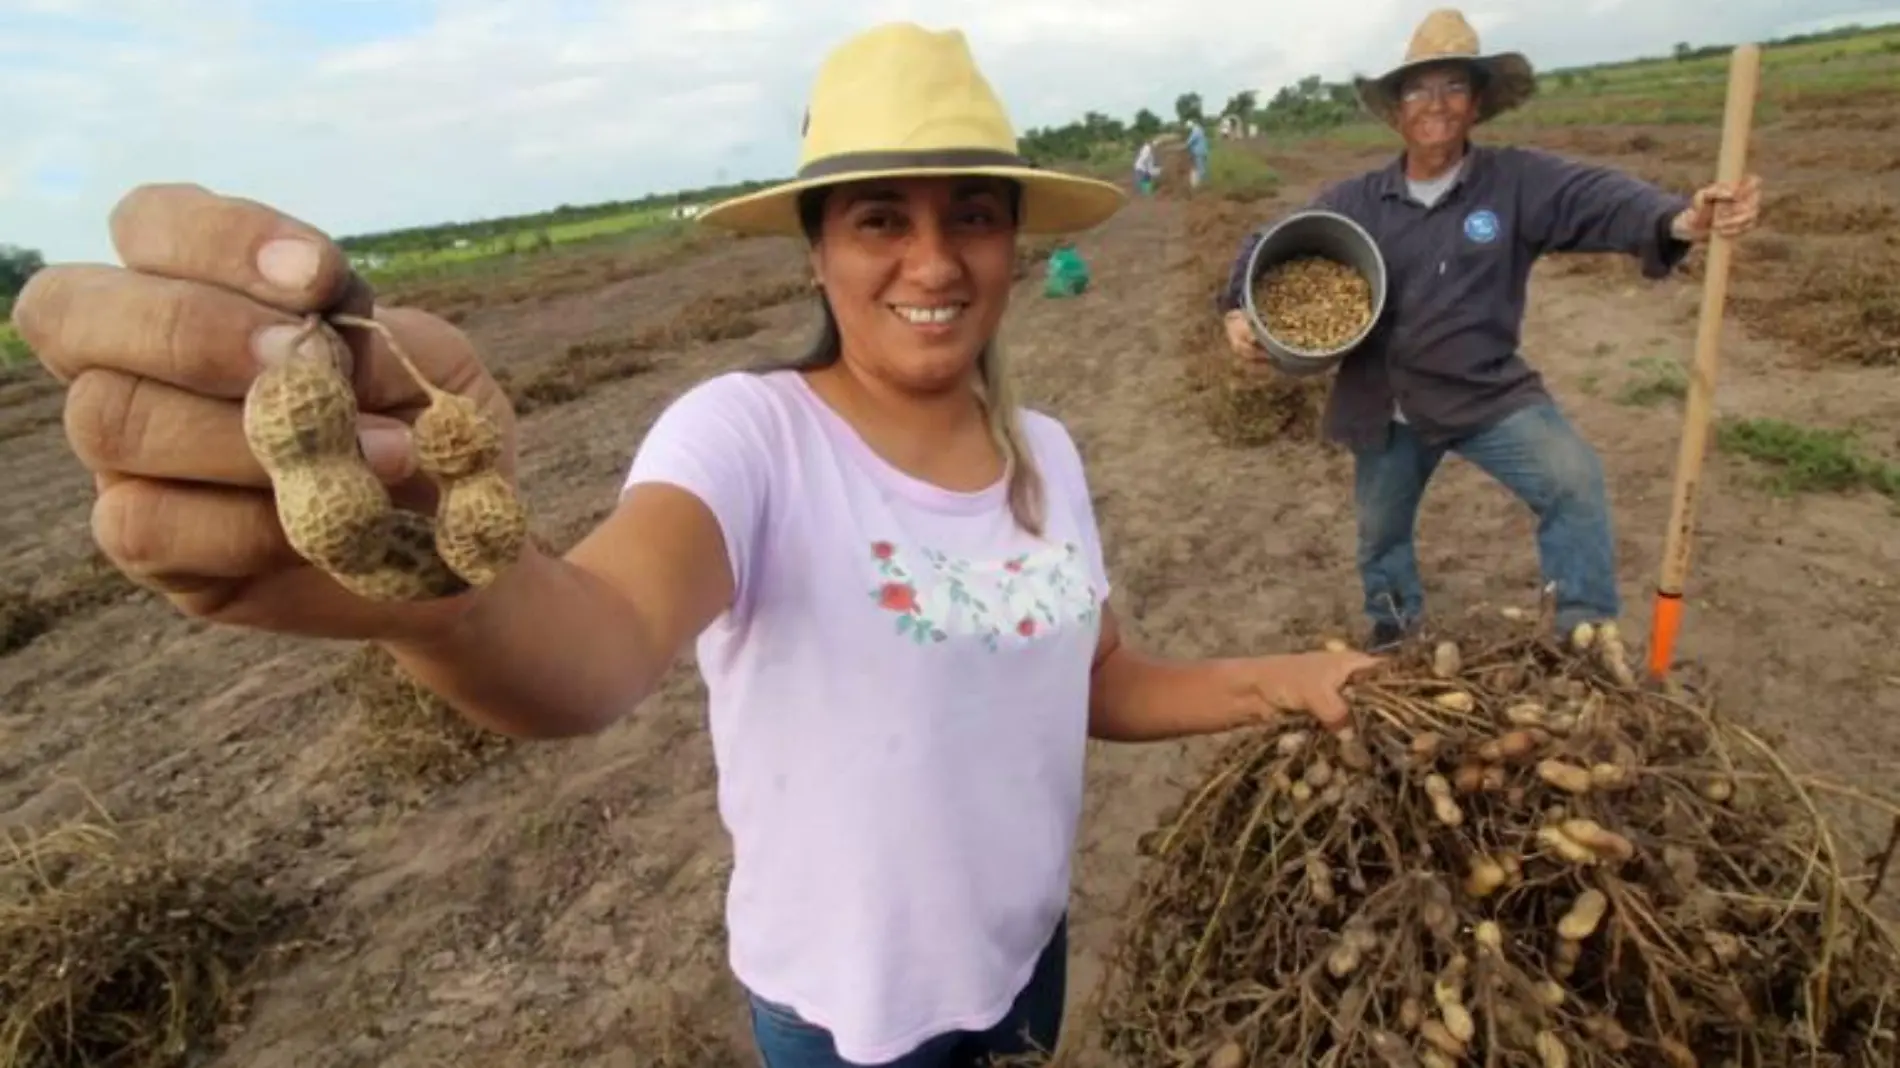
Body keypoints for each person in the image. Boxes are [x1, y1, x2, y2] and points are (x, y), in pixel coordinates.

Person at [10, 21, 1380, 1068]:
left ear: (1017, 240)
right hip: (845, 1022)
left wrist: (1302, 681)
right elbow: (593, 647)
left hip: (1026, 962)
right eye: (879, 218)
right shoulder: (747, 440)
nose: (934, 259)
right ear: (814, 251)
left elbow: (1102, 686)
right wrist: (428, 592)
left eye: (972, 211)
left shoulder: (1052, 460)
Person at [1214, 8, 1762, 653]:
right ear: (1396, 110)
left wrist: (1681, 220)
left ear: (1476, 104)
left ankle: (1582, 633)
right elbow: (1264, 242)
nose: (1435, 104)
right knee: (1380, 534)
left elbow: (1602, 198)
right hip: (1386, 399)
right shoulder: (1357, 201)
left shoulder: (1516, 181)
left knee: (1573, 480)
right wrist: (1236, 311)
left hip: (1483, 390)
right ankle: (1396, 630)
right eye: (1418, 89)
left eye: (1453, 87)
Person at [1184, 118, 1210, 191]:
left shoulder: (1196, 131)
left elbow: (1189, 142)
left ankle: (1202, 186)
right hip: (1203, 151)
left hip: (1199, 152)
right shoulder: (1200, 130)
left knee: (1200, 168)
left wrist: (1184, 146)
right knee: (1203, 168)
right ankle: (1206, 184)